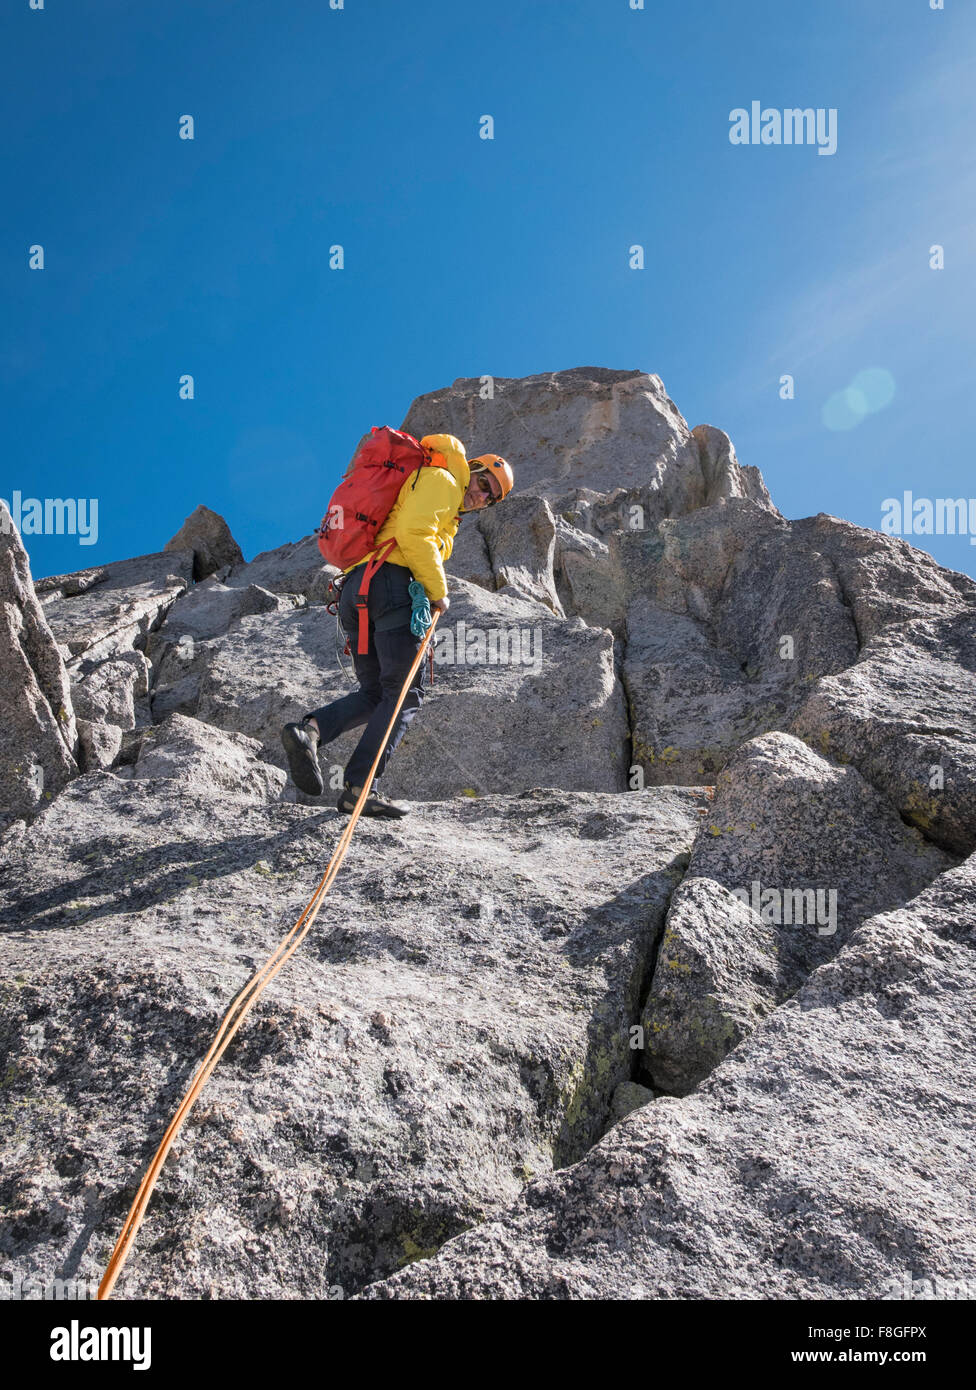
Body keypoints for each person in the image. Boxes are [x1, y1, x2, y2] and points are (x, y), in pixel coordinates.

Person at [281, 434, 514, 817]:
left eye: (492, 498)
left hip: (359, 593)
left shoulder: (441, 493)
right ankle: (359, 788)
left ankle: (310, 732)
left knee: (377, 692)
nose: (483, 496)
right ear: (472, 468)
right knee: (406, 692)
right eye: (485, 483)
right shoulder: (443, 480)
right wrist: (439, 592)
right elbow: (413, 534)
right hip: (391, 587)